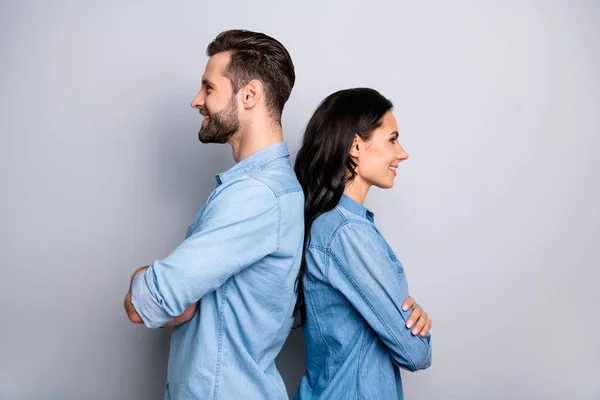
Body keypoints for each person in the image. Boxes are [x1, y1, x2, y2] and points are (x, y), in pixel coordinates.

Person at [123, 29, 304, 400]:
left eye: (209, 88)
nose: (196, 101)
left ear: (250, 94)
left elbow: (148, 303)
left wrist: (145, 275)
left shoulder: (256, 195)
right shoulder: (269, 189)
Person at [293, 88, 432, 400]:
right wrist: (416, 330)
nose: (402, 153)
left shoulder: (338, 226)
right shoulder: (346, 233)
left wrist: (407, 315)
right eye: (392, 139)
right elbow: (415, 352)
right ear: (356, 145)